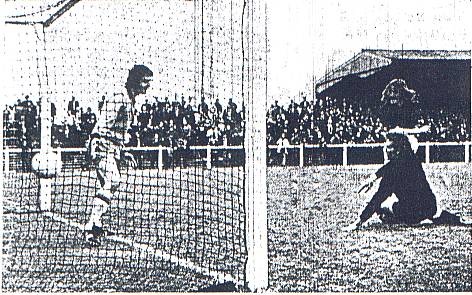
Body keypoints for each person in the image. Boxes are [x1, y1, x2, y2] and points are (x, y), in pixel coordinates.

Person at [84, 64, 153, 246]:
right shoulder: (119, 97)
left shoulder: (130, 100)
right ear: (136, 80)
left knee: (109, 184)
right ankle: (91, 226)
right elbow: (103, 125)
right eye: (146, 81)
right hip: (102, 145)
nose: (148, 86)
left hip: (112, 148)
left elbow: (118, 132)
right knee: (113, 181)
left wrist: (123, 152)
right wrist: (94, 143)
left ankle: (96, 225)